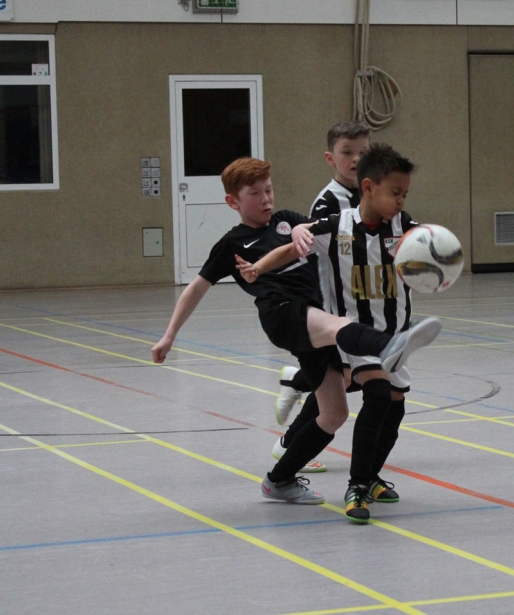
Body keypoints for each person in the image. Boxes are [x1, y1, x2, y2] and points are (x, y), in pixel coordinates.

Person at [151, 156, 441, 506]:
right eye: (255, 194)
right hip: (283, 314)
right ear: (232, 201)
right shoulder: (232, 243)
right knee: (341, 326)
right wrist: (169, 335)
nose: (266, 199)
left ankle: (279, 479)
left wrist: (304, 229)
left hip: (314, 317)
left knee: (333, 414)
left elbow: (319, 230)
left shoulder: (287, 220)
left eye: (269, 190)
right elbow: (197, 288)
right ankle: (389, 345)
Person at [238, 143, 436, 524]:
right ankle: (356, 486)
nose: (400, 201)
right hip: (353, 335)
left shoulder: (405, 228)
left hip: (395, 336)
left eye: (405, 194)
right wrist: (259, 268)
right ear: (368, 187)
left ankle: (370, 476)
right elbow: (292, 248)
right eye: (395, 192)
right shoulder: (336, 226)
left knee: (395, 406)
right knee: (377, 395)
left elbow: (430, 255)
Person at [272, 121, 370, 474]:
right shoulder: (328, 201)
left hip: (363, 301)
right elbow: (311, 255)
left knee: (351, 377)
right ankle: (289, 442)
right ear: (331, 158)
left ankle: (297, 381)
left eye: (363, 152)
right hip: (334, 306)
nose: (356, 159)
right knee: (344, 380)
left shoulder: (371, 194)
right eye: (347, 152)